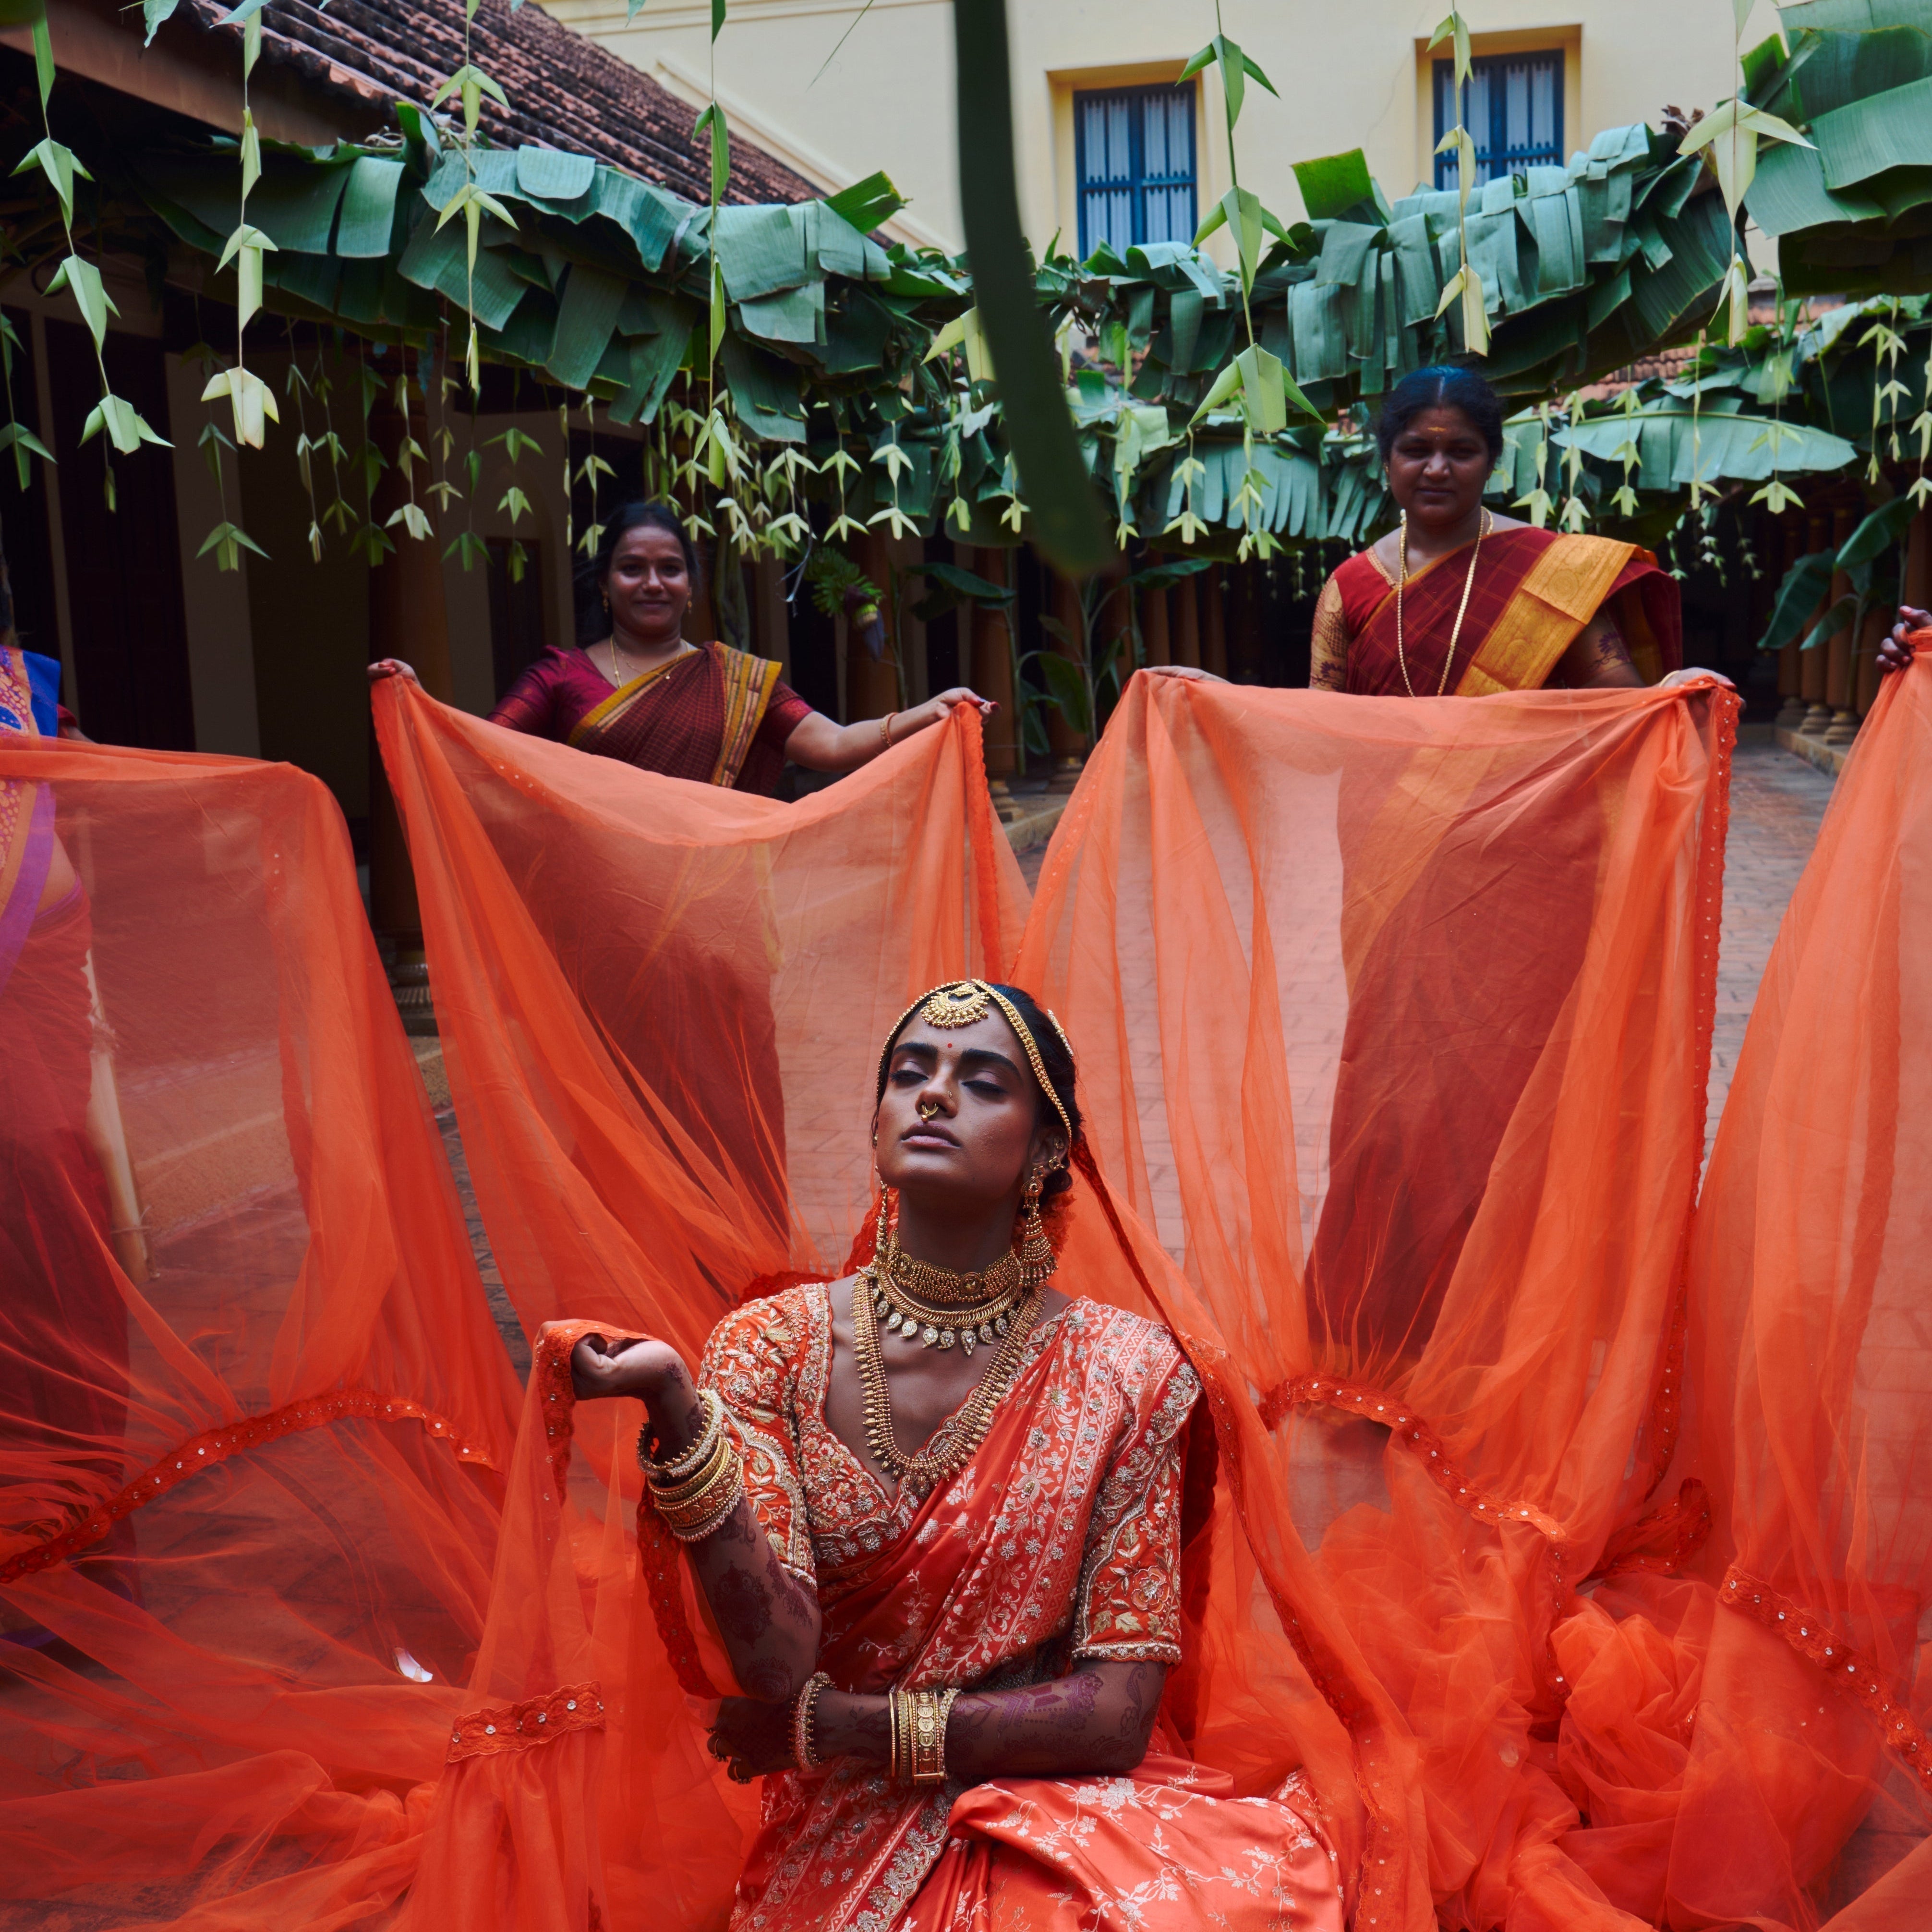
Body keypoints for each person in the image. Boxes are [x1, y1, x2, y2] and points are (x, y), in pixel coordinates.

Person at [566, 980, 1343, 1931]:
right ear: (879, 1118)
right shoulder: (770, 1344)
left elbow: (1115, 1710)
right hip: (844, 1826)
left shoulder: (1128, 1370)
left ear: (1047, 1148)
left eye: (981, 1081)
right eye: (908, 1074)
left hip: (1051, 1803)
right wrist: (680, 1417)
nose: (933, 1095)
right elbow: (777, 1661)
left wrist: (838, 1725)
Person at [370, 500, 991, 795]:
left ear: (691, 587)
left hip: (720, 903)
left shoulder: (737, 680)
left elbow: (828, 744)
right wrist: (420, 704)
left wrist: (925, 713)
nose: (652, 583)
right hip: (601, 904)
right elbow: (483, 751)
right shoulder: (561, 677)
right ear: (606, 585)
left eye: (670, 568)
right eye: (632, 568)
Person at [1310, 365, 1696, 695]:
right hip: (1381, 783)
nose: (1437, 469)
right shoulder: (1349, 587)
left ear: (1492, 462)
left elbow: (1618, 700)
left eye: (1462, 452)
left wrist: (1680, 688)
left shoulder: (1551, 570)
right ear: (1386, 461)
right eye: (1416, 451)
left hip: (1520, 783)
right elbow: (1320, 724)